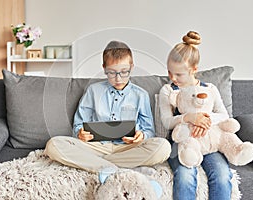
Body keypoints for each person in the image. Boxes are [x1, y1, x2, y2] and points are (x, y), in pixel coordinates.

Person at [44, 40, 171, 197]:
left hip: (127, 149)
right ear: (104, 68)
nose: (118, 78)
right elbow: (78, 123)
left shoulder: (140, 95)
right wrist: (79, 133)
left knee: (163, 147)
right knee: (53, 145)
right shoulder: (93, 91)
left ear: (132, 67)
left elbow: (148, 130)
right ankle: (118, 168)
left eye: (124, 72)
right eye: (112, 72)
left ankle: (103, 167)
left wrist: (141, 136)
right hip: (95, 147)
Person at [158, 31, 233, 200]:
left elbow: (224, 115)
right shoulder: (168, 90)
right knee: (185, 177)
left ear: (194, 70)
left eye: (178, 74)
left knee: (221, 175)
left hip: (209, 142)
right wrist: (188, 118)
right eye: (170, 72)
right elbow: (167, 122)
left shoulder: (210, 89)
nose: (172, 78)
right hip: (181, 143)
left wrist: (204, 121)